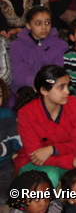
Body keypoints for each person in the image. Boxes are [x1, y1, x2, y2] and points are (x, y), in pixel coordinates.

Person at [15, 65, 76, 188]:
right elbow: (36, 157)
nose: (67, 91)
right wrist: (71, 161)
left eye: (68, 85)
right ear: (44, 91)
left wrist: (52, 149)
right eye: (61, 87)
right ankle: (50, 207)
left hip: (66, 157)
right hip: (33, 163)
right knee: (50, 175)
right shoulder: (26, 113)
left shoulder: (75, 105)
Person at [9, 6, 67, 93]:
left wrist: (46, 85)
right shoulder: (16, 45)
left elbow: (58, 71)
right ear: (28, 25)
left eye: (47, 23)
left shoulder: (60, 45)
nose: (44, 27)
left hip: (52, 87)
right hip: (25, 87)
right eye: (38, 24)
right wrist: (37, 83)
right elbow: (19, 74)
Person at [0, 77, 19, 205]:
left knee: (4, 198)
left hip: (4, 168)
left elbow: (17, 141)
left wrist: (2, 149)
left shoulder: (6, 114)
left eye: (0, 95)